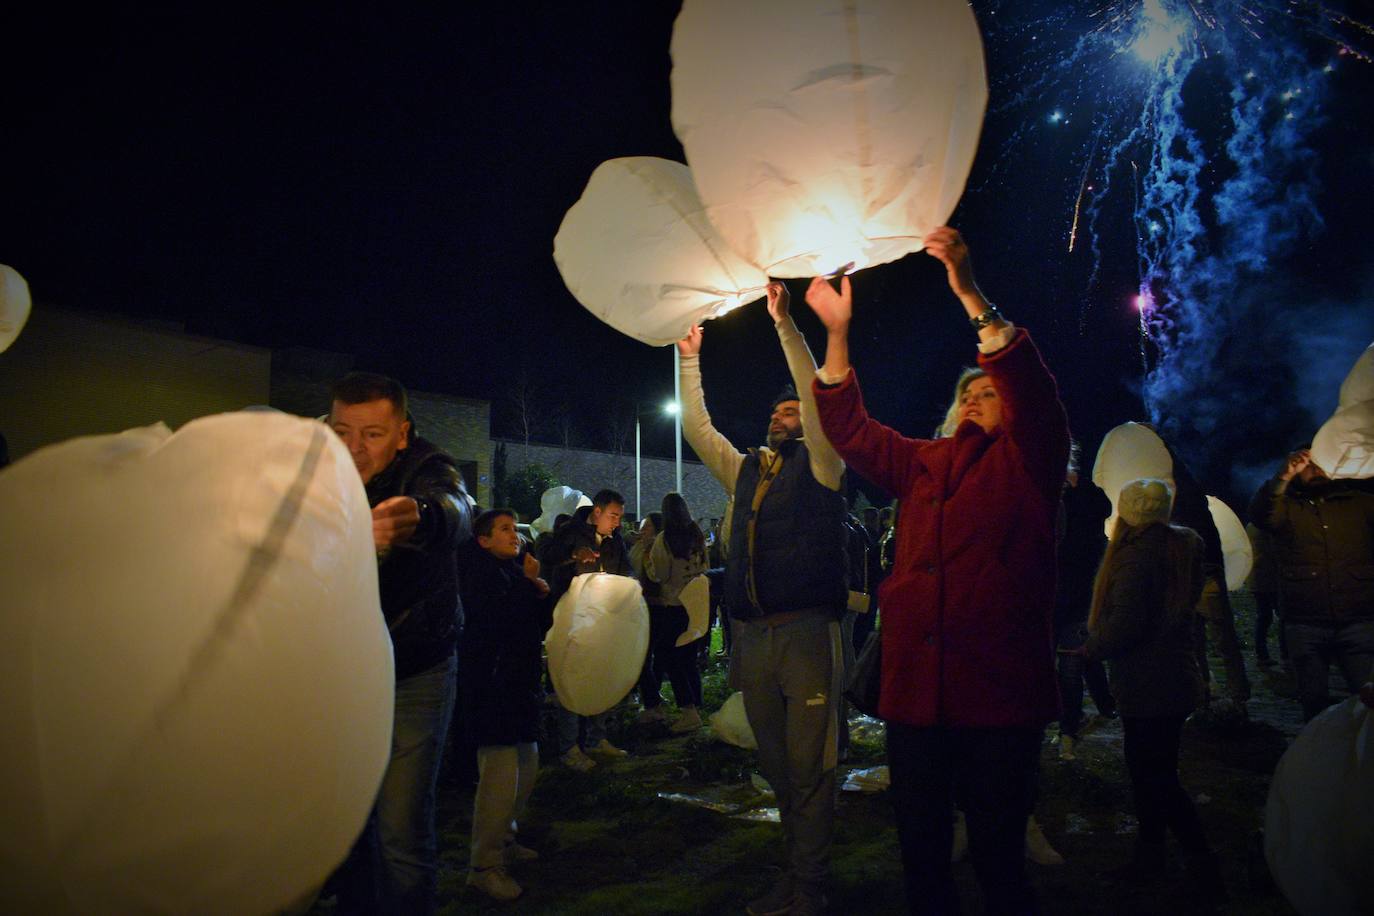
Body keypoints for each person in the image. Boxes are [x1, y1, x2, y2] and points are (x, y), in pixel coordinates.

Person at [808, 226, 1067, 914]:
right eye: (967, 392)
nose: (977, 395)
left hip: (997, 696)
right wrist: (837, 334)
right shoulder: (922, 461)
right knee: (921, 854)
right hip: (917, 700)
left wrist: (967, 290)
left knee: (997, 858)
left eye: (991, 389)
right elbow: (852, 431)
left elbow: (1033, 392)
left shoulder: (1030, 462)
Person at [677, 279, 846, 916]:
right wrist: (688, 355)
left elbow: (815, 392)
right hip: (753, 635)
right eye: (778, 411)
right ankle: (798, 872)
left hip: (805, 633)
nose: (786, 414)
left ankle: (811, 886)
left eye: (795, 410)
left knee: (810, 766)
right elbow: (696, 425)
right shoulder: (746, 468)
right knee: (777, 767)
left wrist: (783, 322)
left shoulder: (826, 464)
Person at [327, 372, 472, 916]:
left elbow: (457, 506)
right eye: (343, 430)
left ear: (403, 434)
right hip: (341, 670)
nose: (354, 448)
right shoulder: (315, 464)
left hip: (416, 665)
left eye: (372, 434)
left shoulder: (428, 467)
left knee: (400, 828)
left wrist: (420, 515)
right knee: (347, 820)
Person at [1081, 479, 1224, 901]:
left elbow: (1126, 623)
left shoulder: (1137, 557)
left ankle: (1200, 866)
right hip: (1173, 678)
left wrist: (1090, 649)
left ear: (1126, 511)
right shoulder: (1179, 548)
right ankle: (1153, 856)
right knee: (1153, 773)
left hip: (1148, 682)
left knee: (1155, 777)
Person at [458, 509, 553, 902]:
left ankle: (506, 840)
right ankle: (484, 865)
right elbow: (496, 622)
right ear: (483, 540)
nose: (514, 536)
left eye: (515, 529)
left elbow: (532, 625)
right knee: (499, 776)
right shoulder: (477, 575)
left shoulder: (512, 573)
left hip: (519, 685)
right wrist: (530, 584)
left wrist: (540, 592)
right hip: (493, 688)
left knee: (526, 766)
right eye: (504, 529)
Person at [1249, 446, 1374, 721]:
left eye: (1320, 464)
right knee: (1313, 702)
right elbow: (1262, 515)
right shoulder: (1286, 507)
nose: (1315, 470)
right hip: (1305, 622)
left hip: (1357, 619)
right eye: (1306, 466)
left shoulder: (1360, 503)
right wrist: (1282, 477)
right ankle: (1319, 760)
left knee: (1367, 701)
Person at [543, 489, 633, 770]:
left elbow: (627, 571)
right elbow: (547, 555)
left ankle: (596, 738)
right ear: (597, 511)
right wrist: (573, 555)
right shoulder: (570, 531)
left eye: (619, 517)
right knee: (570, 680)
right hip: (572, 620)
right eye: (613, 515)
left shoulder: (615, 541)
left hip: (602, 622)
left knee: (600, 678)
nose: (617, 522)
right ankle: (569, 747)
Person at [1055, 442, 1118, 761]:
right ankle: (1104, 705)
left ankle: (1068, 731)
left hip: (1077, 595)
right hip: (1046, 596)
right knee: (1079, 658)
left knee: (1071, 663)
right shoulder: (1038, 492)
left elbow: (1102, 511)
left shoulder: (1086, 495)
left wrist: (1077, 489)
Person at [642, 492, 710, 731]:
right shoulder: (696, 535)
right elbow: (705, 567)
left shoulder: (665, 539)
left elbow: (660, 574)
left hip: (674, 604)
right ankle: (696, 703)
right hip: (696, 603)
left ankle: (688, 710)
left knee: (669, 656)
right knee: (688, 655)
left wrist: (648, 565)